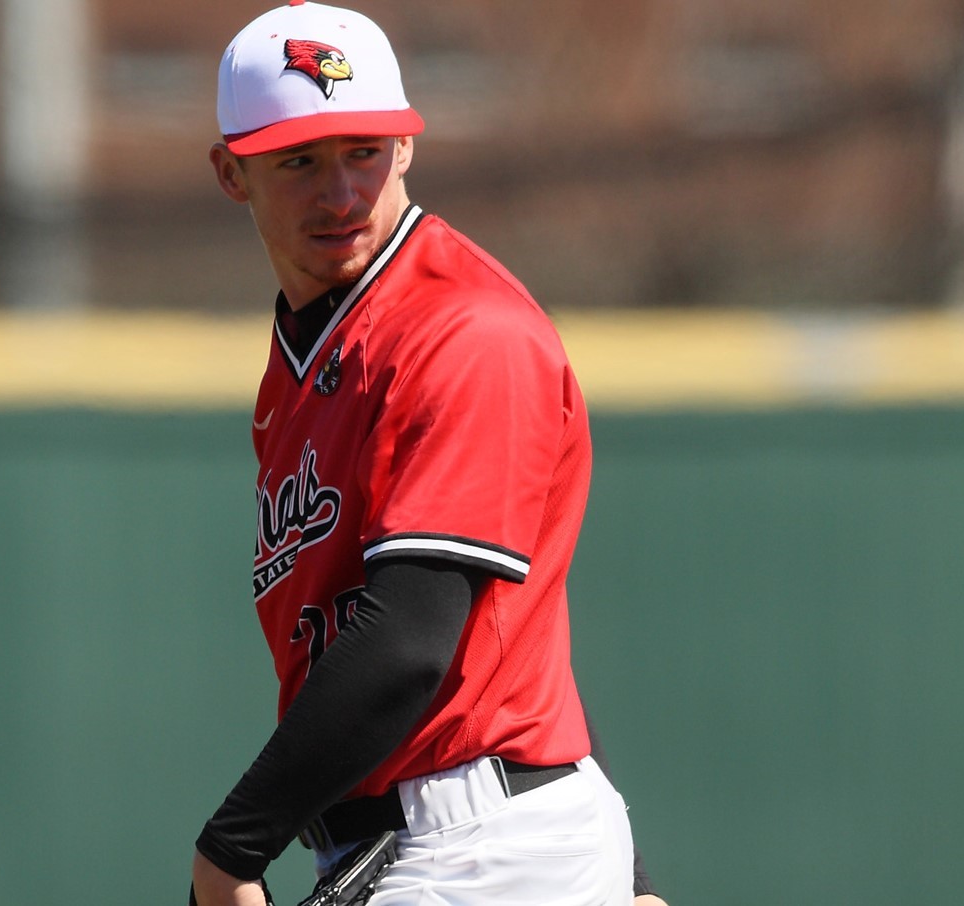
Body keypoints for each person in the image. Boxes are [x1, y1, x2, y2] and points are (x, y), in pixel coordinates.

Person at [191, 2, 667, 904]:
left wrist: (232, 850)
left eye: (363, 151)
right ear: (231, 172)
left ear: (406, 146)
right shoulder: (308, 358)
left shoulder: (461, 330)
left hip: (482, 851)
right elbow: (508, 631)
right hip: (434, 844)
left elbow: (412, 639)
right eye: (299, 161)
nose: (341, 193)